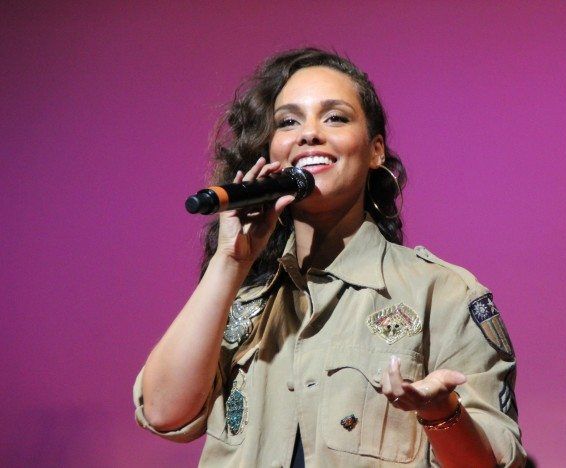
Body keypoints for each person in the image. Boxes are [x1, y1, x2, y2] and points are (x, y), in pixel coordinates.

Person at [133, 48, 525, 467]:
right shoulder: (241, 295)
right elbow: (164, 413)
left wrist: (440, 412)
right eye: (288, 122)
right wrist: (230, 263)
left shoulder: (443, 294)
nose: (308, 134)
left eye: (334, 117)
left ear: (376, 151)